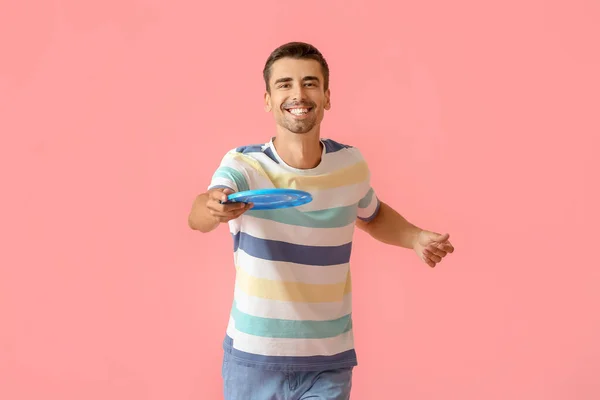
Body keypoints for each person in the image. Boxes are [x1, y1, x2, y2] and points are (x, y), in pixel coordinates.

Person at [188, 41, 455, 400]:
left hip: (328, 361)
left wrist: (416, 237)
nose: (298, 93)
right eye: (284, 84)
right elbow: (200, 213)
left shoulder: (350, 165)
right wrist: (214, 206)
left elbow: (372, 215)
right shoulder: (244, 166)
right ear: (267, 99)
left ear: (327, 96)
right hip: (253, 360)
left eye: (310, 82)